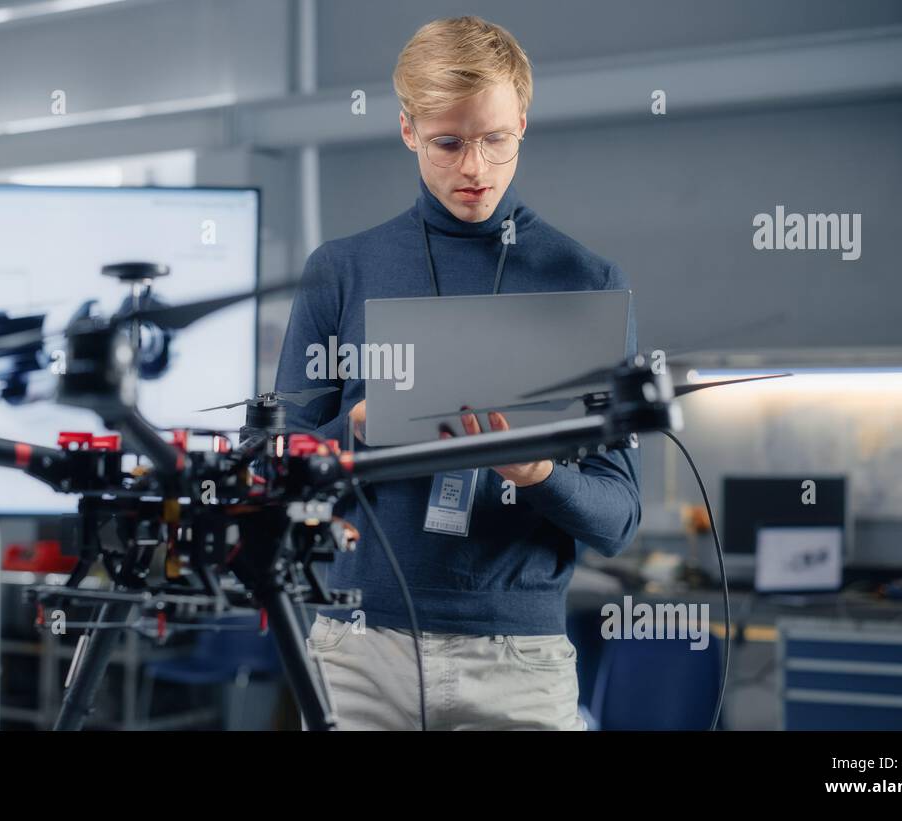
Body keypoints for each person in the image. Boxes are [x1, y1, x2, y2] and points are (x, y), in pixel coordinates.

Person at [273, 16, 641, 730]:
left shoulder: (585, 281)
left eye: (496, 139)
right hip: (358, 652)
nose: (475, 167)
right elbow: (275, 474)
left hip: (518, 661)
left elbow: (618, 518)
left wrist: (542, 476)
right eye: (448, 142)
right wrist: (356, 433)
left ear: (524, 124)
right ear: (408, 130)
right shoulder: (341, 272)